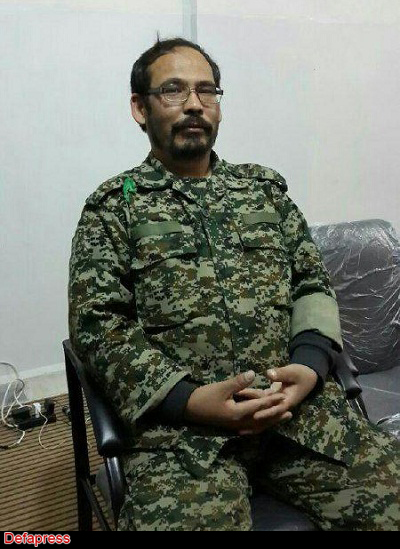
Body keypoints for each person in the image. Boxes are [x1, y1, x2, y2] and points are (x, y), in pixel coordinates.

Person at [69, 37, 400, 531]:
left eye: (207, 90)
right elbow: (98, 326)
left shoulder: (263, 191)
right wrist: (186, 399)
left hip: (299, 414)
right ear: (140, 108)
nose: (195, 104)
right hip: (183, 439)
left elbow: (311, 283)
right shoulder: (114, 207)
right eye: (174, 90)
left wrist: (309, 367)